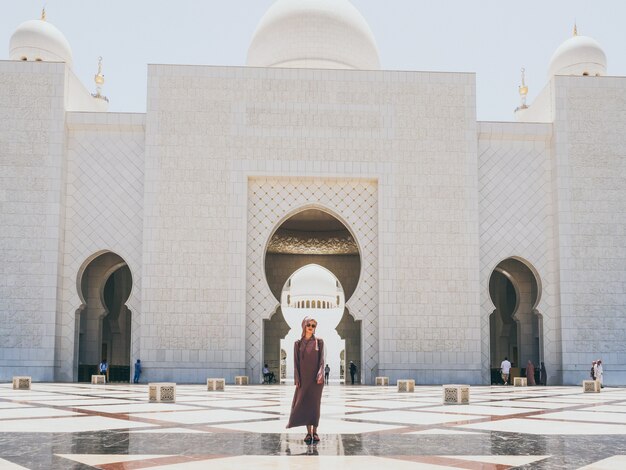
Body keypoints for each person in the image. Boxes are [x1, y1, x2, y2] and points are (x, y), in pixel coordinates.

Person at [287, 316, 325, 445]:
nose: (311, 327)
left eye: (313, 325)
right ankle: (309, 432)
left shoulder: (319, 342)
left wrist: (321, 373)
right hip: (303, 379)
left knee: (315, 404)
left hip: (316, 380)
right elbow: (296, 363)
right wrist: (297, 378)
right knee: (304, 403)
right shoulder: (297, 344)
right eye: (309, 325)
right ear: (304, 325)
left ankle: (315, 431)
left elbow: (322, 360)